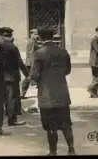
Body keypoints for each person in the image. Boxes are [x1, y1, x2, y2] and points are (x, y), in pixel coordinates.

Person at [30, 27, 75, 156]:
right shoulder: (63, 52)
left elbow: (34, 75)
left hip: (46, 95)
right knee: (66, 123)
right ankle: (71, 149)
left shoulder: (39, 53)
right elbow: (68, 71)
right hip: (62, 92)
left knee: (50, 126)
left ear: (40, 37)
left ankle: (53, 151)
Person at [1, 27, 29, 126]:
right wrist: (27, 75)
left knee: (4, 98)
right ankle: (12, 120)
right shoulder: (12, 47)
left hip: (0, 77)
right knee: (11, 98)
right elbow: (20, 62)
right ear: (11, 36)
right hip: (12, 77)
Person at [21, 29, 39, 99]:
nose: (36, 35)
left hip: (30, 62)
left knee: (28, 79)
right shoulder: (31, 42)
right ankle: (22, 93)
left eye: (36, 34)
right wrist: (32, 64)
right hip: (31, 63)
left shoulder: (33, 41)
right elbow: (31, 53)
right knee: (28, 79)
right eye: (35, 34)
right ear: (31, 34)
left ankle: (22, 93)